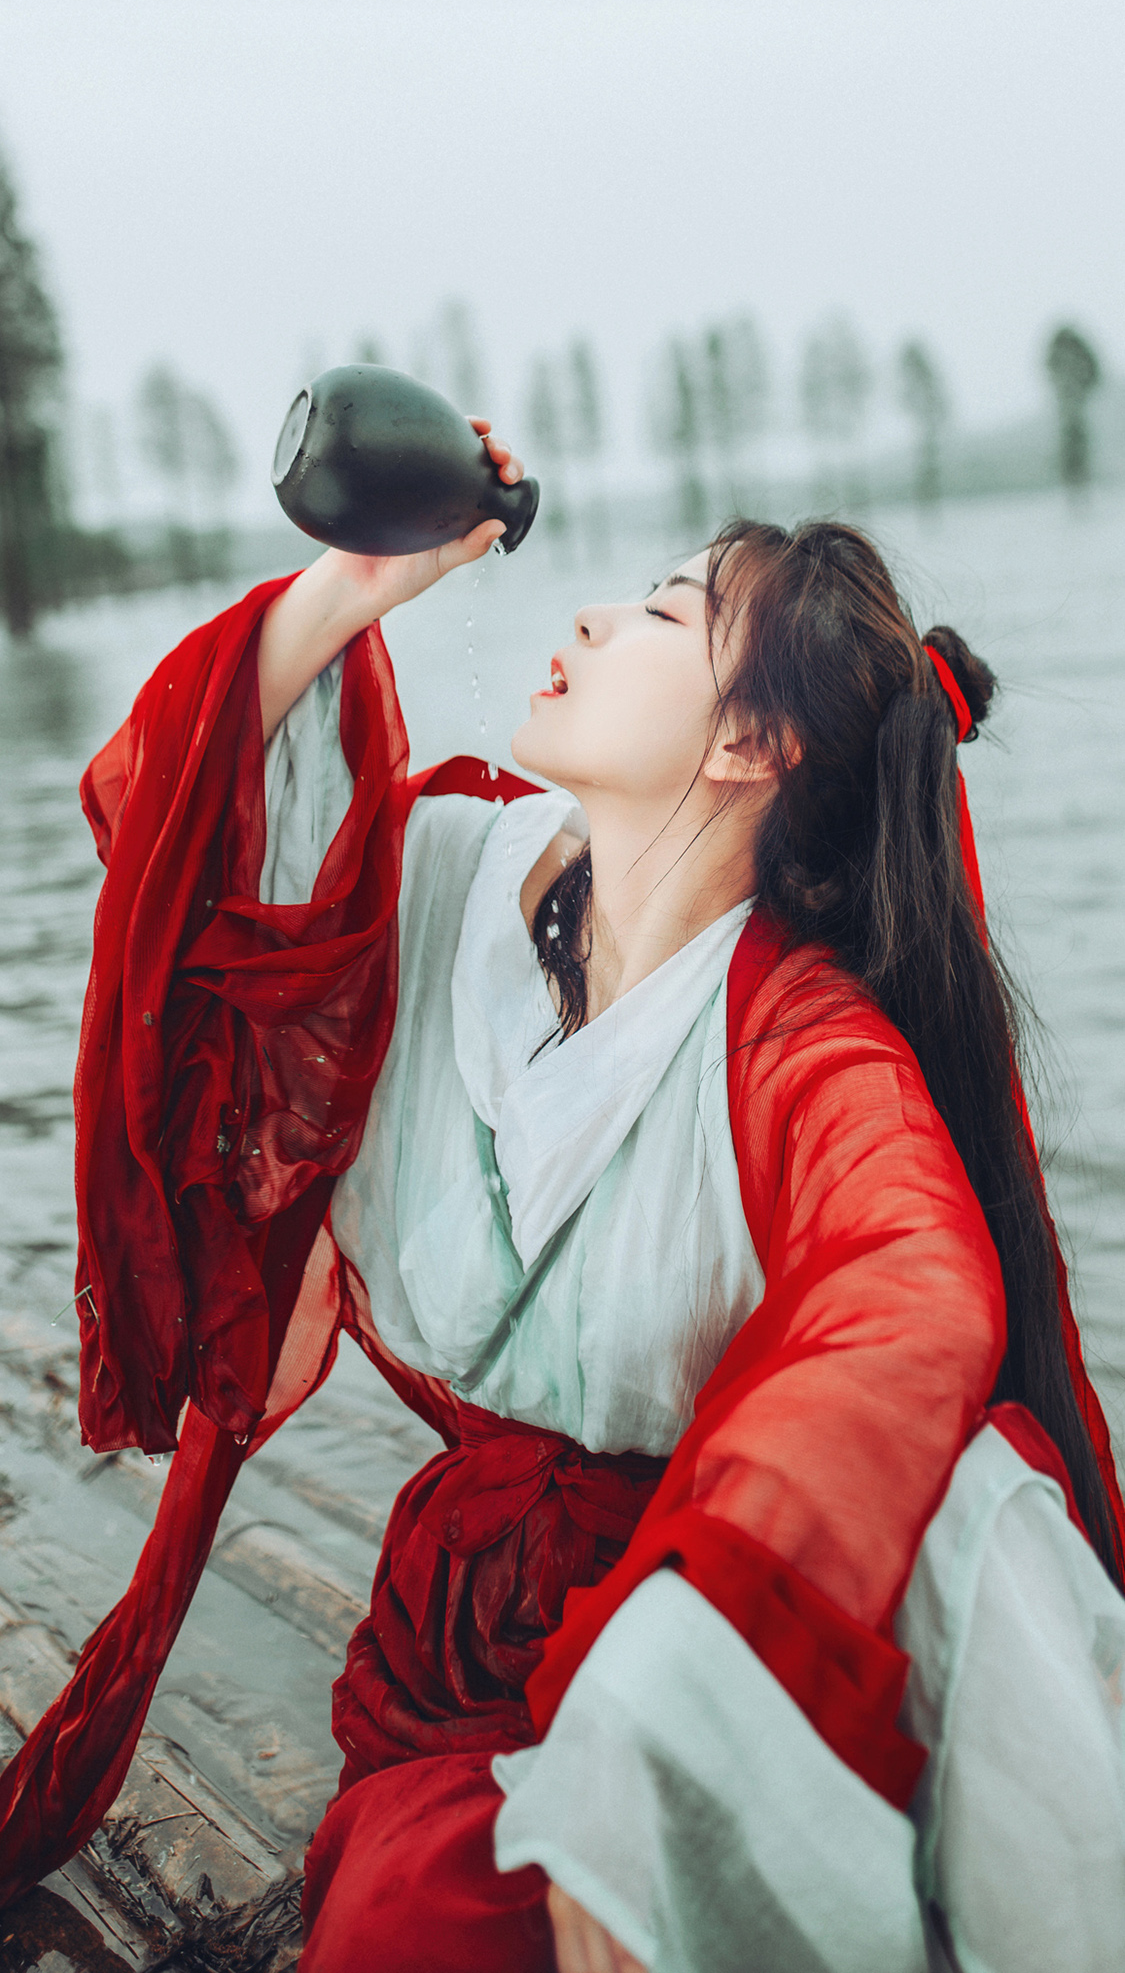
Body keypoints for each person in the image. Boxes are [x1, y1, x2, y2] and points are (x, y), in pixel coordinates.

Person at [1, 423, 1123, 1972]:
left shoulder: (799, 1041)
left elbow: (911, 1288)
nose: (591, 617)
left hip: (719, 1617)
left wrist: (669, 1710)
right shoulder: (444, 886)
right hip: (460, 1631)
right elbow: (182, 842)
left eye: (664, 613)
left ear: (750, 746)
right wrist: (354, 588)